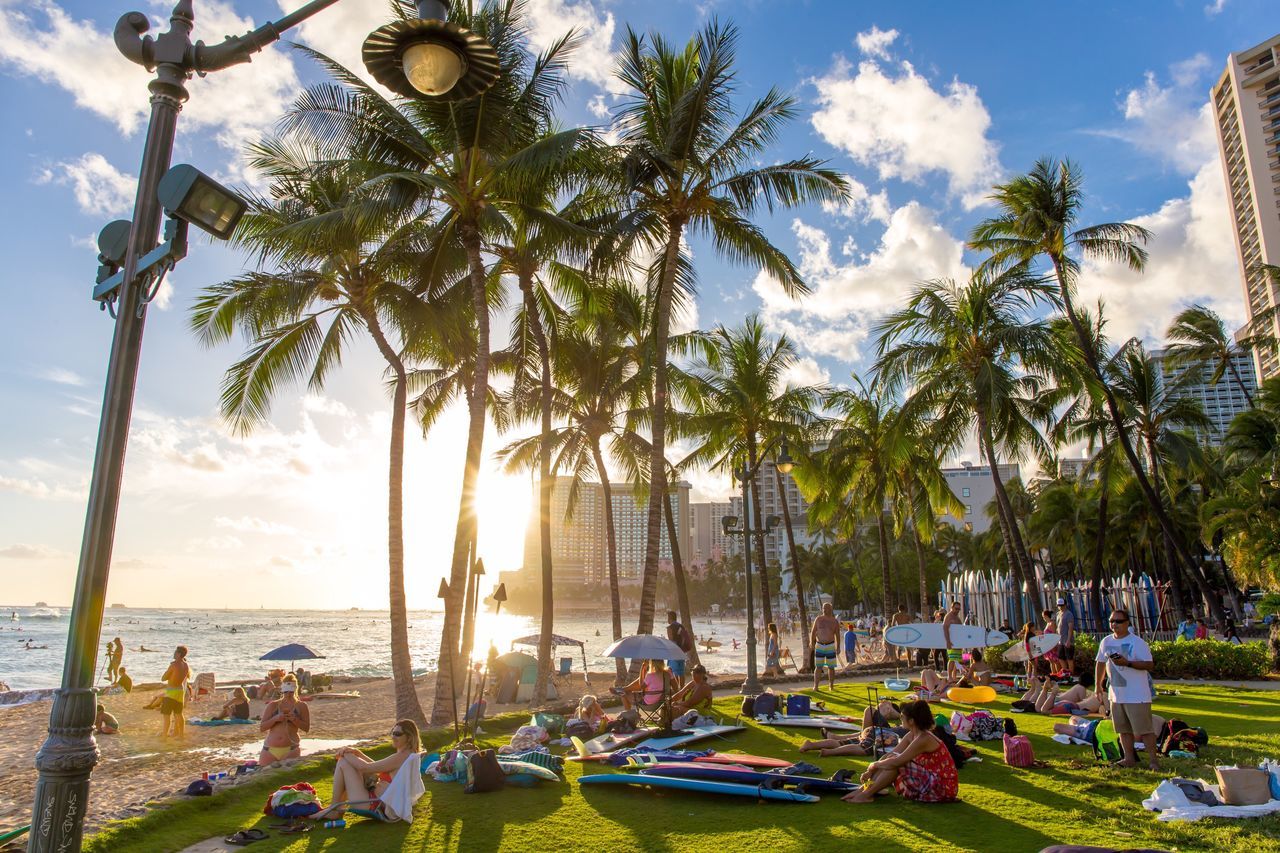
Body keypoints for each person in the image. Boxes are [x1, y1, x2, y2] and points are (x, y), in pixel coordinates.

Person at [842, 699, 958, 804]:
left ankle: (866, 794)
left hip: (943, 788)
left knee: (897, 764)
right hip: (930, 780)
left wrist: (874, 765)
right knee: (891, 758)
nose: (900, 719)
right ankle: (864, 790)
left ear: (911, 721)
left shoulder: (924, 738)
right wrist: (871, 770)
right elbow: (889, 755)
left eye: (902, 716)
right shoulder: (912, 734)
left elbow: (897, 761)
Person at [1095, 609, 1158, 771]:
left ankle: (1154, 761)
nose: (1114, 624)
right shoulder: (1106, 642)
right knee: (1123, 729)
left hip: (1137, 695)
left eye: (1118, 621)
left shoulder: (1137, 643)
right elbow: (1100, 663)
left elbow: (1149, 664)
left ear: (1127, 623)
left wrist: (1127, 663)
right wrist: (1098, 685)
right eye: (1111, 621)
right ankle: (1128, 758)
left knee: (1145, 730)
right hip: (1116, 694)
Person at [317, 720, 420, 819]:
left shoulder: (401, 757)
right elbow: (377, 767)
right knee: (346, 762)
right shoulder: (408, 755)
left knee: (343, 762)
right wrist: (358, 753)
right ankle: (335, 808)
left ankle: (333, 809)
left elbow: (364, 767)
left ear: (409, 737)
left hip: (374, 804)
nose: (393, 736)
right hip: (378, 801)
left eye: (398, 734)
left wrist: (345, 752)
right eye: (392, 732)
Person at [259, 674, 310, 766]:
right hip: (269, 749)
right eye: (286, 692)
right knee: (263, 777)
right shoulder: (273, 705)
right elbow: (262, 727)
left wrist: (294, 719)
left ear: (295, 689)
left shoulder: (301, 706)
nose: (288, 694)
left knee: (288, 778)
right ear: (282, 690)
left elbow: (306, 728)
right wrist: (275, 719)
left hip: (291, 748)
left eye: (291, 692)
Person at [159, 645, 190, 738]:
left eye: (175, 652)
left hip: (171, 691)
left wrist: (171, 666)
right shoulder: (186, 665)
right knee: (179, 714)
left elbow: (163, 678)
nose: (174, 653)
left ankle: (164, 736)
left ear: (179, 654)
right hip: (180, 691)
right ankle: (181, 735)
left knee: (166, 715)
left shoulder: (173, 665)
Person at [810, 602, 840, 690]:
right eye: (823, 608)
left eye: (826, 608)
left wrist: (838, 647)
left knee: (831, 667)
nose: (824, 609)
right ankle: (816, 686)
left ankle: (831, 685)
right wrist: (812, 643)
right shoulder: (818, 619)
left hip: (830, 645)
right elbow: (813, 631)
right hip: (819, 645)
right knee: (818, 667)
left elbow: (837, 635)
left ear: (830, 609)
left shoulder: (834, 621)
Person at [665, 610, 692, 686]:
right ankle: (682, 690)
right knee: (681, 672)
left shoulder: (670, 628)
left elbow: (671, 641)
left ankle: (677, 691)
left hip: (674, 652)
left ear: (669, 618)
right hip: (682, 652)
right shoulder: (681, 626)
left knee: (673, 672)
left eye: (667, 617)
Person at [942, 601, 964, 681]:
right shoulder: (949, 616)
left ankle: (954, 676)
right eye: (956, 608)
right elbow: (945, 628)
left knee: (956, 659)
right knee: (952, 659)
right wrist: (948, 641)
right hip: (951, 642)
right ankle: (949, 676)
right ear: (951, 608)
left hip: (957, 643)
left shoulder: (957, 618)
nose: (957, 610)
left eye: (959, 609)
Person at [1055, 599, 1077, 676]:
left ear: (1065, 605)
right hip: (1060, 640)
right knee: (1060, 658)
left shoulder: (1069, 614)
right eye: (1059, 605)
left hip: (1067, 640)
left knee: (1069, 658)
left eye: (1062, 605)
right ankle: (1065, 673)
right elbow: (1058, 627)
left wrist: (1068, 640)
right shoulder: (1058, 614)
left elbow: (1070, 627)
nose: (1060, 607)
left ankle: (1071, 674)